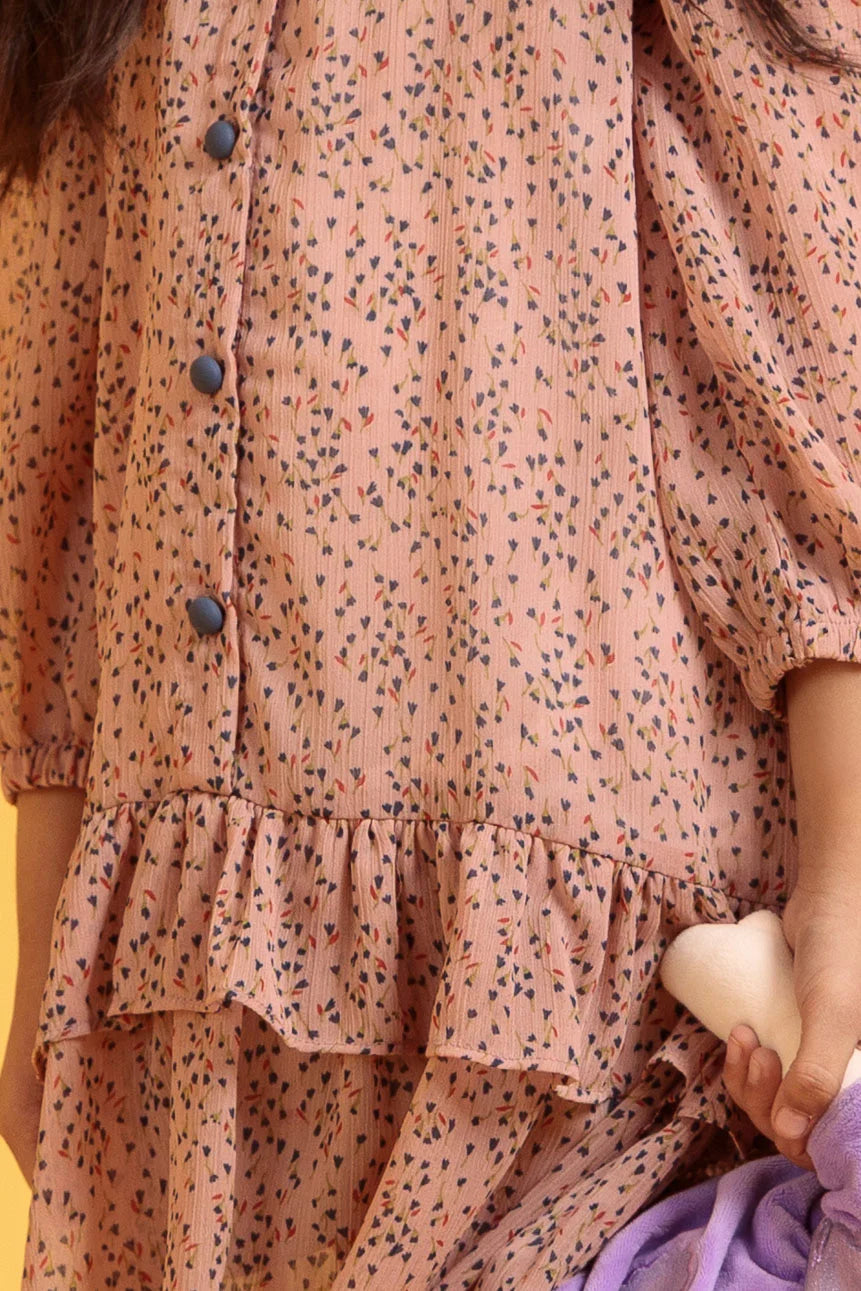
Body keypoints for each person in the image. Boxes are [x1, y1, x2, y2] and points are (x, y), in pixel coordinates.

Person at [1, 0, 860, 1287]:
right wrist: (47, 965)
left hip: (572, 998)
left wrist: (849, 872)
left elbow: (803, 343)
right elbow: (60, 488)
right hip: (190, 1010)